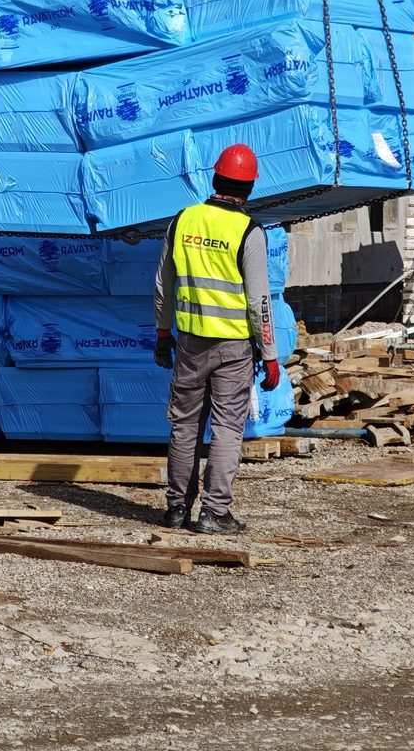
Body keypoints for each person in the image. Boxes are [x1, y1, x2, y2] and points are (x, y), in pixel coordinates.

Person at [153, 143, 280, 535]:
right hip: (233, 350)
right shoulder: (249, 231)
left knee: (184, 425)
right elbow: (260, 301)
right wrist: (270, 355)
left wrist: (162, 332)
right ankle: (214, 513)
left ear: (215, 178)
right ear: (250, 187)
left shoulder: (183, 220)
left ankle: (177, 508)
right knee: (226, 429)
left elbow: (163, 284)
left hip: (189, 343)